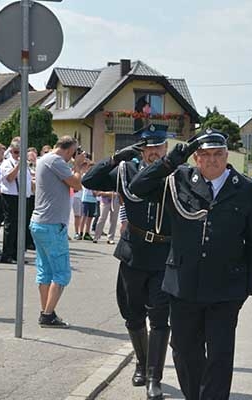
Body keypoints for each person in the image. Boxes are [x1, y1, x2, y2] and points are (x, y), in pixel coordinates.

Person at [130, 128, 252, 400]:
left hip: (226, 288)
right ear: (196, 158)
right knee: (184, 350)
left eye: (218, 154)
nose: (212, 160)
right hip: (183, 285)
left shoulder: (247, 189)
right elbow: (138, 187)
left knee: (220, 354)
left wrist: (247, 289)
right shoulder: (178, 180)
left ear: (227, 156)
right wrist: (171, 160)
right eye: (205, 155)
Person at [82, 123, 174, 400]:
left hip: (164, 255)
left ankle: (153, 378)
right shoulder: (125, 171)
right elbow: (89, 181)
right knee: (133, 315)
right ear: (141, 149)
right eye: (148, 147)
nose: (154, 152)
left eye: (159, 146)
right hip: (133, 253)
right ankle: (141, 363)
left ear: (165, 148)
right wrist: (115, 157)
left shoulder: (176, 174)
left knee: (159, 318)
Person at [29, 136, 85, 328]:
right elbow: (77, 184)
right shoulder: (57, 161)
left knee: (45, 271)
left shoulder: (44, 159)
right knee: (61, 273)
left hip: (40, 222)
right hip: (52, 225)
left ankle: (46, 312)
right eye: (75, 152)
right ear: (70, 150)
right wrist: (77, 166)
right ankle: (48, 314)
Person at [0, 141, 33, 265]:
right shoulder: (7, 163)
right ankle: (7, 255)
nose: (18, 155)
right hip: (11, 196)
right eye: (16, 152)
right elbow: (9, 178)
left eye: (20, 152)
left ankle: (17, 254)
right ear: (11, 151)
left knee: (21, 226)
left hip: (23, 197)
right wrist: (18, 165)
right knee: (11, 226)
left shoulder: (26, 165)